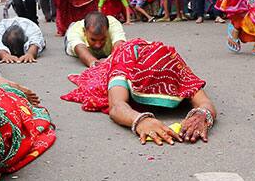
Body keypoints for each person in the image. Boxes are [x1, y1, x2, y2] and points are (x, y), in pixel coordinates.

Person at [61, 39, 217, 146]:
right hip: (126, 52)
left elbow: (204, 102)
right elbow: (117, 105)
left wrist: (202, 115)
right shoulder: (124, 64)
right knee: (98, 79)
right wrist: (140, 120)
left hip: (152, 51)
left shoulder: (176, 66)